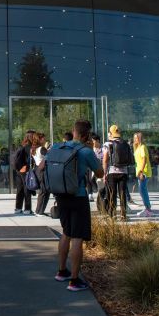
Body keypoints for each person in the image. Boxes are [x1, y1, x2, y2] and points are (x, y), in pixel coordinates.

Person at [54, 119, 103, 292]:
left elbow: (44, 165)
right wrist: (90, 150)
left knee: (66, 233)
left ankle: (62, 271)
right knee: (77, 237)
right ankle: (74, 280)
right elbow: (100, 172)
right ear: (86, 135)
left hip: (60, 195)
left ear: (73, 131)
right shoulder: (85, 151)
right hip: (78, 196)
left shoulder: (57, 147)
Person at [102, 125, 130, 220]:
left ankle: (112, 215)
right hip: (124, 172)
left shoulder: (108, 144)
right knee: (122, 193)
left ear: (111, 133)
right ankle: (123, 215)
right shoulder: (125, 143)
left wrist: (104, 173)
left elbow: (105, 159)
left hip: (112, 172)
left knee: (112, 194)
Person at [14, 130, 35, 215]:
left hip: (19, 170)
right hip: (25, 170)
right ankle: (27, 209)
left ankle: (18, 208)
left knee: (20, 189)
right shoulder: (29, 147)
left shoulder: (21, 146)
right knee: (27, 189)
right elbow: (30, 160)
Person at [133, 132, 153, 217]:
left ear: (140, 139)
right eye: (134, 138)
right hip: (139, 172)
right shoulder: (137, 148)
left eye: (137, 138)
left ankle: (148, 209)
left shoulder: (142, 147)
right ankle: (147, 208)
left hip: (143, 172)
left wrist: (141, 171)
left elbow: (144, 159)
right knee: (142, 190)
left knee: (142, 190)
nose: (135, 139)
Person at [33, 132, 50, 216]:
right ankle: (39, 211)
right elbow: (49, 156)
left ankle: (39, 210)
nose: (45, 139)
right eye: (43, 138)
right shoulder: (41, 148)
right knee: (43, 191)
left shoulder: (33, 148)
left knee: (43, 190)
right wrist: (47, 149)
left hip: (37, 169)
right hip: (43, 171)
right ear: (39, 139)